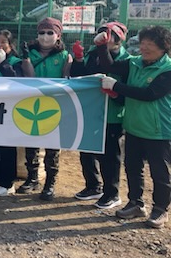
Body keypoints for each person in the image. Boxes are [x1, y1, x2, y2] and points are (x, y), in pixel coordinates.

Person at [97, 25, 171, 229]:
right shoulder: (134, 62)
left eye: (150, 44)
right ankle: (135, 203)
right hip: (133, 127)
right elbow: (110, 66)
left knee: (160, 173)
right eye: (143, 43)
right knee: (132, 168)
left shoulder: (167, 70)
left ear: (163, 46)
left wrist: (116, 86)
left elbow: (149, 94)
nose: (144, 47)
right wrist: (102, 47)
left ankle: (160, 209)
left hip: (158, 131)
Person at [70, 22, 130, 209]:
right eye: (101, 34)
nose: (103, 38)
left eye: (108, 35)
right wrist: (79, 59)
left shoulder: (127, 60)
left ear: (118, 39)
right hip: (90, 111)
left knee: (110, 156)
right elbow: (80, 78)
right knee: (87, 151)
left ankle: (112, 193)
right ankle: (93, 186)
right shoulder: (93, 55)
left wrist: (116, 94)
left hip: (112, 114)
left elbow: (124, 86)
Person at [18, 17, 72, 201]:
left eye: (50, 33)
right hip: (32, 105)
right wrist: (25, 58)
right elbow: (29, 77)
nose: (45, 36)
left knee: (52, 147)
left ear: (58, 36)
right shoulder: (30, 53)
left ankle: (50, 183)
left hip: (54, 107)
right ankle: (32, 178)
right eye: (41, 32)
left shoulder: (64, 56)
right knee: (31, 144)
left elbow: (67, 80)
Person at [0, 30, 27, 197]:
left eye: (4, 42)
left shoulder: (16, 62)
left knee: (7, 148)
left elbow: (17, 81)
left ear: (10, 46)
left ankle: (8, 183)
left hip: (8, 111)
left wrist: (3, 63)